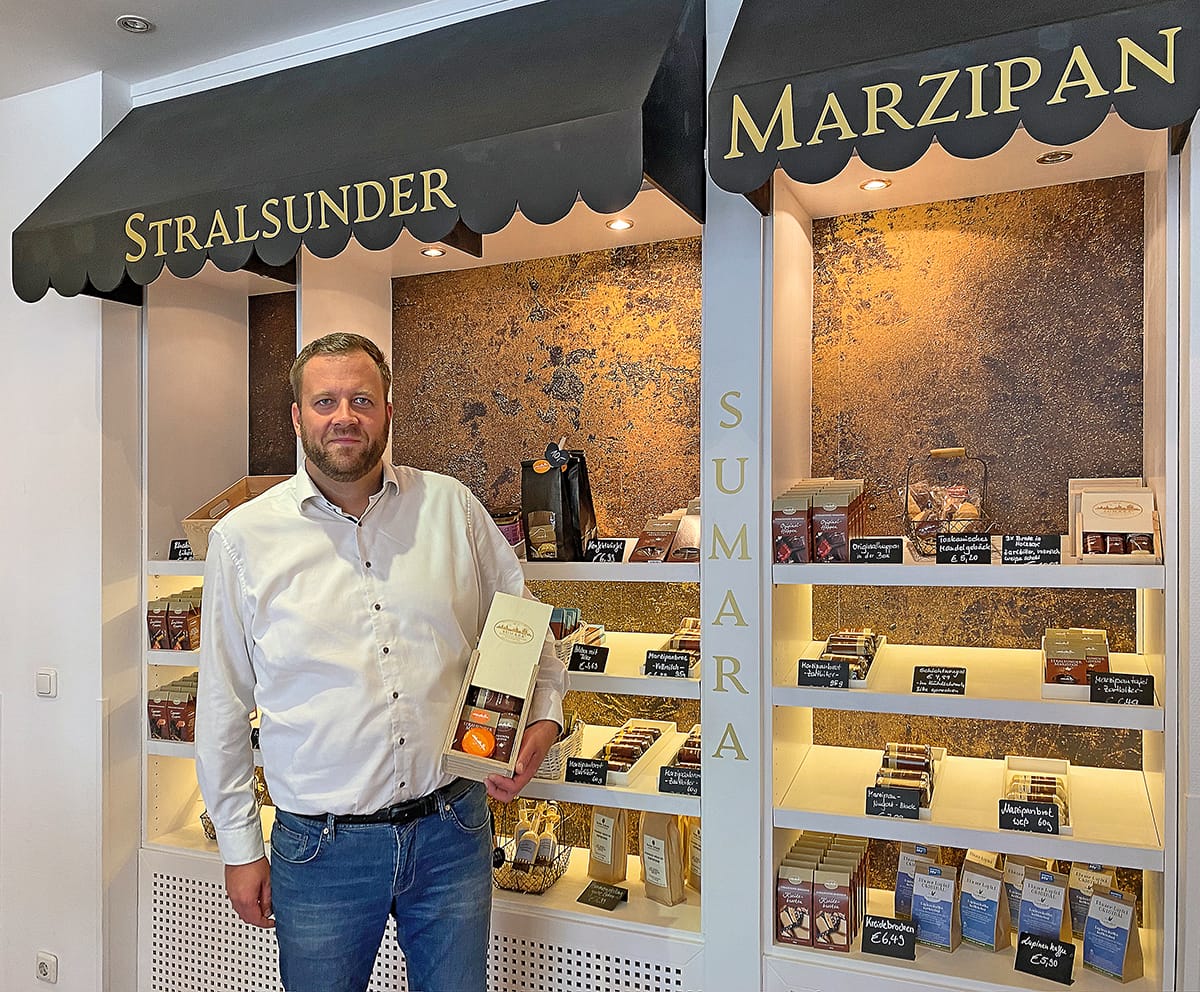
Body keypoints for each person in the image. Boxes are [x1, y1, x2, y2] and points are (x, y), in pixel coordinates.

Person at [195, 331, 566, 992]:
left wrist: (544, 714)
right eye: (326, 401)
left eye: (362, 400)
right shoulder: (242, 539)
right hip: (320, 851)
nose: (345, 416)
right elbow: (222, 702)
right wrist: (239, 846)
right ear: (297, 417)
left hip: (452, 829)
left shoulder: (450, 508)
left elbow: (522, 618)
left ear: (388, 411)